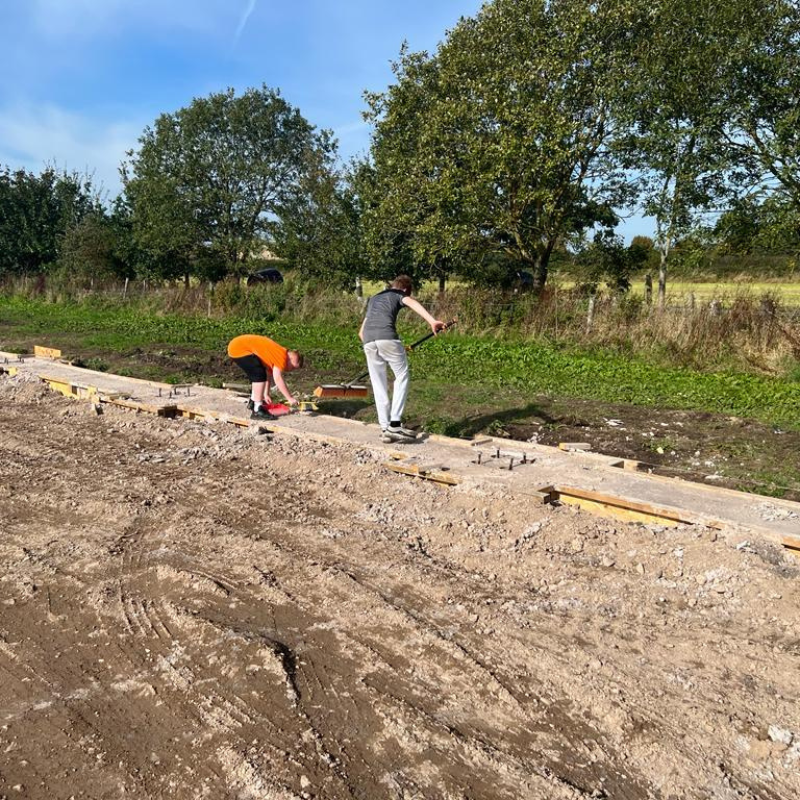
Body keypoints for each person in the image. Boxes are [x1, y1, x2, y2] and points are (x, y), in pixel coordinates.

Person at [359, 275, 445, 443]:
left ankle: (385, 428)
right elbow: (412, 303)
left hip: (368, 341)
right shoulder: (399, 294)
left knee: (378, 384)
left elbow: (361, 333)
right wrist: (432, 321)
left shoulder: (374, 298)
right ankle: (395, 424)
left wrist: (381, 346)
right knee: (402, 376)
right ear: (405, 289)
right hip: (387, 337)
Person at [227, 334, 304, 419]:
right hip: (239, 348)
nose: (291, 370)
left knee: (259, 374)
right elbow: (278, 378)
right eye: (293, 367)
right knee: (258, 374)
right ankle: (257, 410)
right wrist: (289, 398)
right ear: (291, 358)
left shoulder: (275, 356)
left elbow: (268, 375)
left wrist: (266, 394)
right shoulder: (282, 356)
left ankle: (253, 402)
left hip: (237, 347)